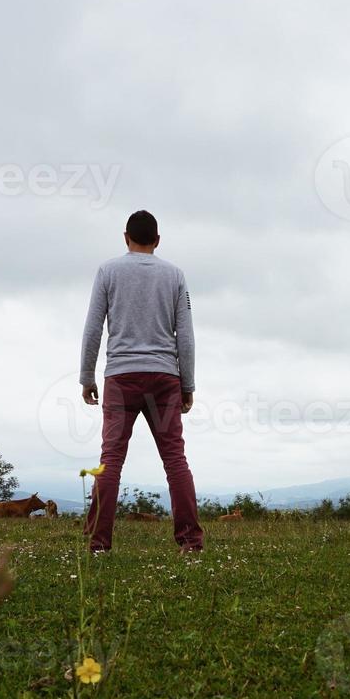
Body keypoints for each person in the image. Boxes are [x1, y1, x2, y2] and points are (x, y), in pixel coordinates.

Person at [80, 210, 204, 554]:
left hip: (120, 378)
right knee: (175, 461)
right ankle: (190, 543)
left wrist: (87, 376)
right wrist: (188, 384)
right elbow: (187, 337)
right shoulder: (175, 275)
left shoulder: (108, 271)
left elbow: (93, 328)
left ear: (125, 238)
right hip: (164, 379)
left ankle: (98, 545)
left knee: (111, 459)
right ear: (158, 241)